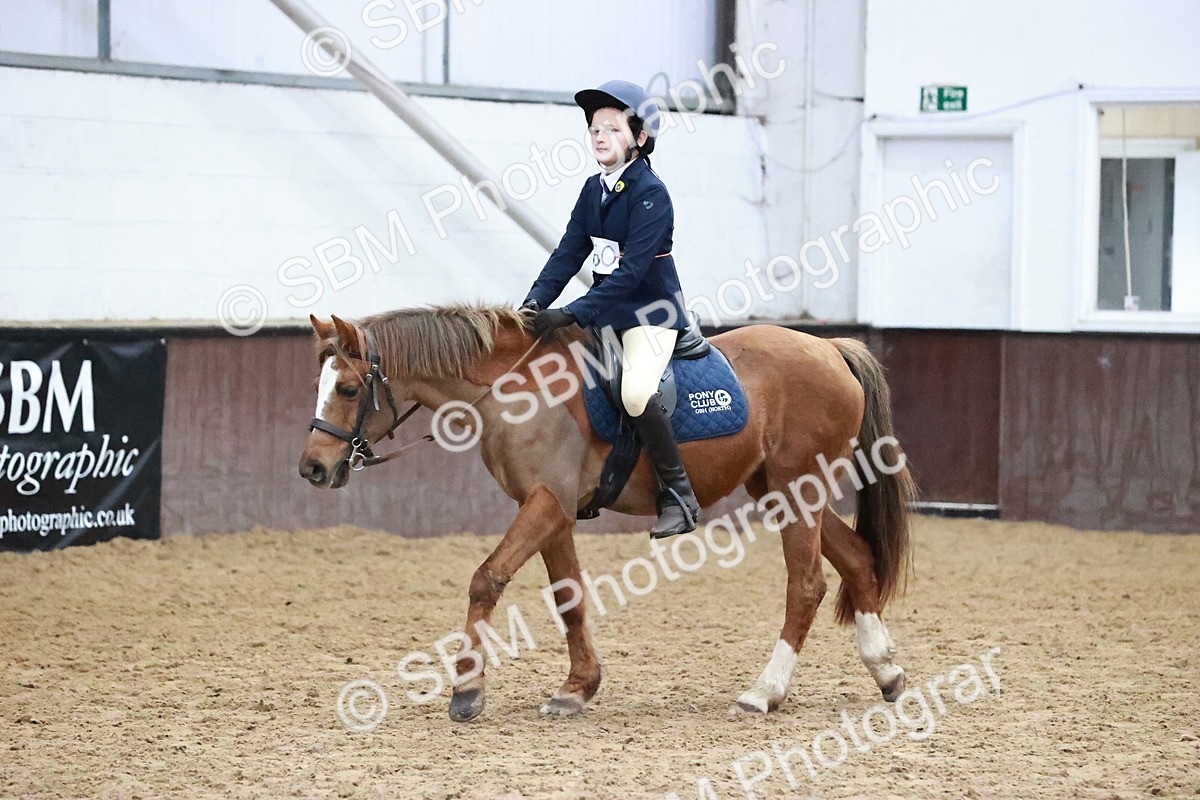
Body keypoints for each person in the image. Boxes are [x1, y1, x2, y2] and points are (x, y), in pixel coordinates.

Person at [520, 80, 700, 539]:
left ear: (639, 138)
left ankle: (678, 493)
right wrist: (534, 303)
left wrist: (573, 312)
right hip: (606, 315)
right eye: (594, 130)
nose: (599, 137)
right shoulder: (591, 190)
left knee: (637, 392)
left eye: (612, 129)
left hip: (651, 315)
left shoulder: (651, 195)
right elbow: (567, 254)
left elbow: (631, 274)